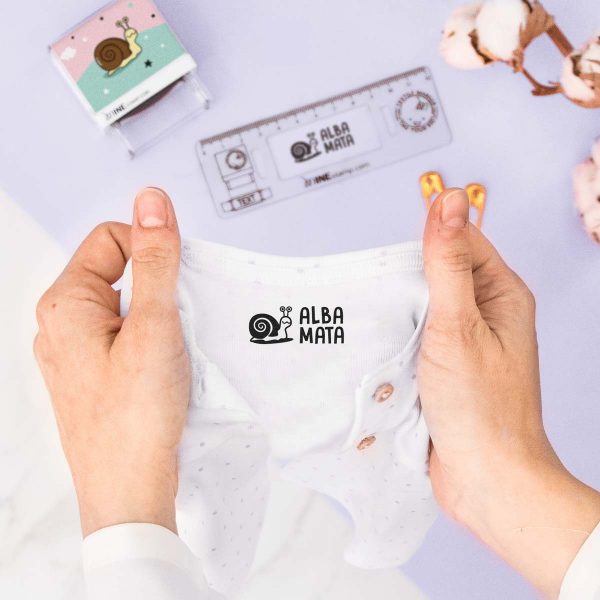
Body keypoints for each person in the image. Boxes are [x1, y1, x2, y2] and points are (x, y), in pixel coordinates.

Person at [34, 187, 600, 599]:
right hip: (190, 361)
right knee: (214, 528)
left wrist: (122, 506)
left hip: (392, 374)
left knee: (225, 531)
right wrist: (505, 473)